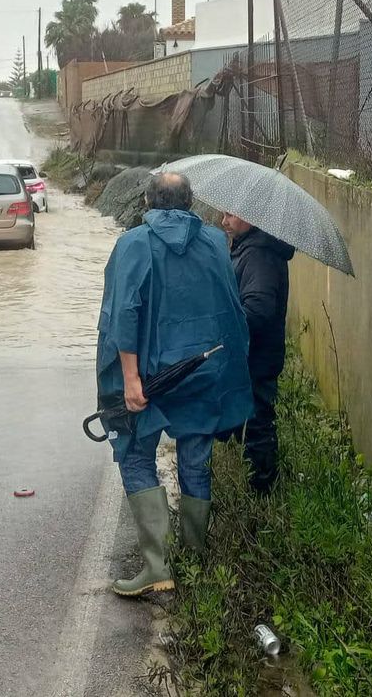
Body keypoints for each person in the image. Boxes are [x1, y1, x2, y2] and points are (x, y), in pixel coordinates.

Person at [97, 172, 252, 596]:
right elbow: (231, 311)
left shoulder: (132, 245)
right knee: (195, 463)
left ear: (148, 200)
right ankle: (196, 559)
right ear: (189, 202)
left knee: (135, 458)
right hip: (203, 372)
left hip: (150, 378)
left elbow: (122, 315)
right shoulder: (216, 243)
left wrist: (128, 379)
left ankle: (157, 566)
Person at [220, 212, 294, 493]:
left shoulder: (259, 255)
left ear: (251, 216)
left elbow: (259, 310)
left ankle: (262, 493)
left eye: (230, 214)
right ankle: (256, 486)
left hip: (256, 358)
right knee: (253, 421)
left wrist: (226, 324)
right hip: (255, 357)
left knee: (258, 426)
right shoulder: (250, 247)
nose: (224, 221)